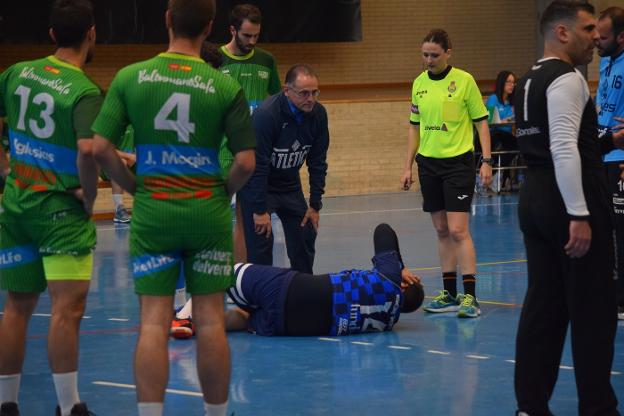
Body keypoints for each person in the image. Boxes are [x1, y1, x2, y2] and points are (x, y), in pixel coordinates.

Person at [90, 0, 256, 414]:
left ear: (167, 19)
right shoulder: (225, 86)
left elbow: (100, 148)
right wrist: (221, 191)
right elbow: (247, 161)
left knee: (152, 322)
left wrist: (133, 186)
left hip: (155, 212)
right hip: (206, 212)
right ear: (211, 27)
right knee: (212, 320)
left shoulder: (130, 78)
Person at [512, 2, 620, 415]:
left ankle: (530, 406)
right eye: (588, 28)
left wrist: (609, 142)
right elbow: (562, 147)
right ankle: (598, 407)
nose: (596, 36)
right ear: (561, 33)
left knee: (545, 306)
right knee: (594, 310)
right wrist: (579, 214)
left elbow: (555, 143)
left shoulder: (528, 80)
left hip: (534, 199)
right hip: (567, 201)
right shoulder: (568, 78)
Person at [0, 1, 101, 415]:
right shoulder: (83, 91)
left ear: (52, 35)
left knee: (16, 307)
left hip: (16, 205)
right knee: (66, 308)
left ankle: (7, 404)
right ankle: (68, 407)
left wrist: (4, 168)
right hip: (59, 211)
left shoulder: (17, 72)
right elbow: (86, 151)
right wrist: (90, 196)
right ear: (91, 34)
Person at [177, 224, 424, 337]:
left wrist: (400, 267)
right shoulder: (389, 322)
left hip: (290, 289)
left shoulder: (391, 278)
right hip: (285, 326)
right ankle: (202, 323)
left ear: (405, 284)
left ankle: (183, 316)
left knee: (226, 272)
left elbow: (384, 230)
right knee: (244, 316)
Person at [400, 29, 492, 318]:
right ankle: (449, 294)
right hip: (428, 165)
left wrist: (486, 160)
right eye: (425, 54)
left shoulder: (464, 81)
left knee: (457, 230)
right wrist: (408, 165)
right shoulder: (418, 84)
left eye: (434, 55)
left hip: (458, 164)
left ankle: (470, 298)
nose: (429, 60)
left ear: (448, 53)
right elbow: (415, 126)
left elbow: (482, 123)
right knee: (441, 230)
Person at [239, 64, 329, 274]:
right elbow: (258, 165)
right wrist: (260, 210)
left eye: (315, 92)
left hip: (289, 185)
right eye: (304, 93)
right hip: (259, 186)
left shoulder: (318, 114)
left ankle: (302, 289)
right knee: (261, 242)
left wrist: (315, 205)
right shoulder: (266, 115)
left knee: (306, 232)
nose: (311, 99)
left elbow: (318, 161)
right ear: (286, 90)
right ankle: (261, 298)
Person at [595, 6, 624, 321]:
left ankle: (621, 299)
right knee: (603, 227)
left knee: (621, 230)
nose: (596, 41)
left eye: (603, 37)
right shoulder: (605, 63)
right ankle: (608, 290)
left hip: (621, 158)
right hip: (601, 153)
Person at [486, 70, 518, 191]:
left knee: (518, 144)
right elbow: (488, 121)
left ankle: (499, 176)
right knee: (512, 144)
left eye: (513, 82)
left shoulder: (512, 102)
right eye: (508, 82)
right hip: (494, 133)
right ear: (501, 83)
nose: (511, 85)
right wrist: (504, 121)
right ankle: (494, 173)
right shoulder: (493, 99)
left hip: (508, 134)